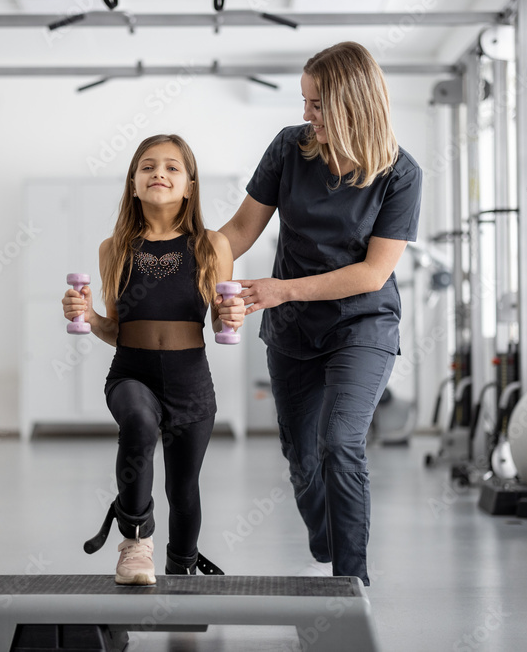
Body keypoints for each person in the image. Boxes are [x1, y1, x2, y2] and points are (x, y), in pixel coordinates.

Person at [218, 42, 422, 586]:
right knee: (302, 456)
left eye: (318, 104)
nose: (306, 113)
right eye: (305, 100)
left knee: (341, 441)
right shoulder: (291, 148)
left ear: (355, 104)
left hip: (362, 324)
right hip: (292, 331)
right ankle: (330, 544)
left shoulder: (400, 174)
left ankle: (350, 580)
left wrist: (282, 290)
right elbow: (238, 232)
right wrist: (180, 260)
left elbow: (372, 273)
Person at [62, 133, 244, 586]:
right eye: (147, 166)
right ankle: (135, 541)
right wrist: (88, 315)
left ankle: (181, 565)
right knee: (139, 424)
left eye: (171, 167)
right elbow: (114, 328)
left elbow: (226, 318)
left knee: (183, 491)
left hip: (191, 382)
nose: (158, 173)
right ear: (133, 182)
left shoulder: (212, 245)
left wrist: (235, 314)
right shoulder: (115, 249)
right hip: (131, 374)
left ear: (189, 185)